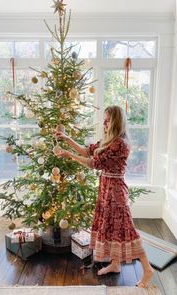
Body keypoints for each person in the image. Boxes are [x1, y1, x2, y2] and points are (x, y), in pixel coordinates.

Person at [54, 105, 154, 288]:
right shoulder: (109, 140)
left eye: (107, 119)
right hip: (105, 189)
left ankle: (147, 269)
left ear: (116, 121)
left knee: (127, 231)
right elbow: (87, 151)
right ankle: (115, 264)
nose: (104, 123)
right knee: (110, 228)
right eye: (104, 119)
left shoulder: (120, 144)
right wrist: (67, 139)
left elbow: (93, 163)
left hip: (115, 193)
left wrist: (69, 155)